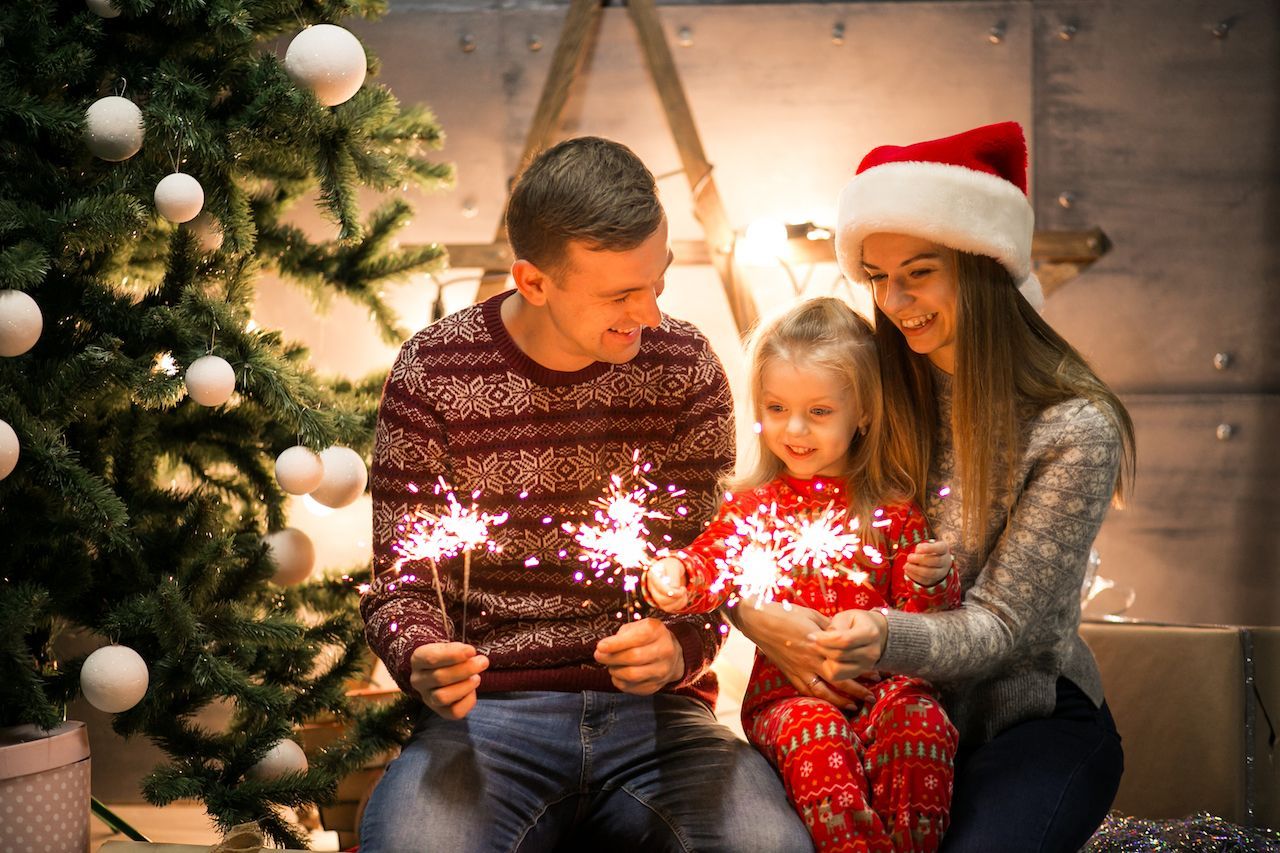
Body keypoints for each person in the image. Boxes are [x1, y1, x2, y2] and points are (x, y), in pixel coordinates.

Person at [357, 136, 811, 852]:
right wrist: (420, 656)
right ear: (533, 282)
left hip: (659, 720)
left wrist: (681, 645)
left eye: (656, 282)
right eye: (621, 295)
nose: (651, 314)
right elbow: (400, 581)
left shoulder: (684, 367)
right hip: (487, 718)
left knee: (768, 846)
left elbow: (713, 564)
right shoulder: (433, 370)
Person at [730, 122, 1135, 853]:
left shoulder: (1074, 426)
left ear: (980, 265)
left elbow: (1004, 628)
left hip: (1022, 716)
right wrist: (756, 615)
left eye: (919, 271)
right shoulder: (880, 381)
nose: (895, 299)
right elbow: (754, 516)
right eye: (879, 276)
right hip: (871, 711)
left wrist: (884, 636)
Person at [642, 297, 960, 852]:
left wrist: (932, 581)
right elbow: (716, 560)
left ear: (862, 413)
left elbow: (924, 626)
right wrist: (677, 574)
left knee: (922, 721)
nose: (794, 429)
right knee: (818, 736)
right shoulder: (752, 507)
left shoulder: (893, 511)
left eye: (818, 412)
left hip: (887, 692)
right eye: (776, 407)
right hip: (789, 699)